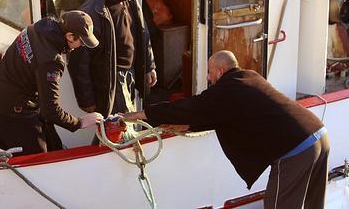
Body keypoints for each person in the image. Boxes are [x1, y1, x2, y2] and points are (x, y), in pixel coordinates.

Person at [122, 51, 329, 209]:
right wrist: (190, 125)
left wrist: (137, 115)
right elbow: (223, 114)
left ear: (220, 71)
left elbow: (190, 107)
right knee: (313, 205)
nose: (209, 78)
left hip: (296, 150)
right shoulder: (249, 77)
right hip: (319, 134)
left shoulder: (226, 90)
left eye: (210, 73)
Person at [0, 11, 104, 155]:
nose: (82, 46)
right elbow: (50, 111)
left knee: (54, 148)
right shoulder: (51, 61)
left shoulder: (40, 26)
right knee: (36, 160)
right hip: (12, 111)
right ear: (70, 36)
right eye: (82, 41)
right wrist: (79, 123)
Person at [68, 0, 157, 117]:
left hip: (130, 73)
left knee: (123, 124)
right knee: (121, 129)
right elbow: (78, 62)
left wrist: (149, 65)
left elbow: (142, 31)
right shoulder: (92, 14)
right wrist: (86, 99)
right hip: (113, 82)